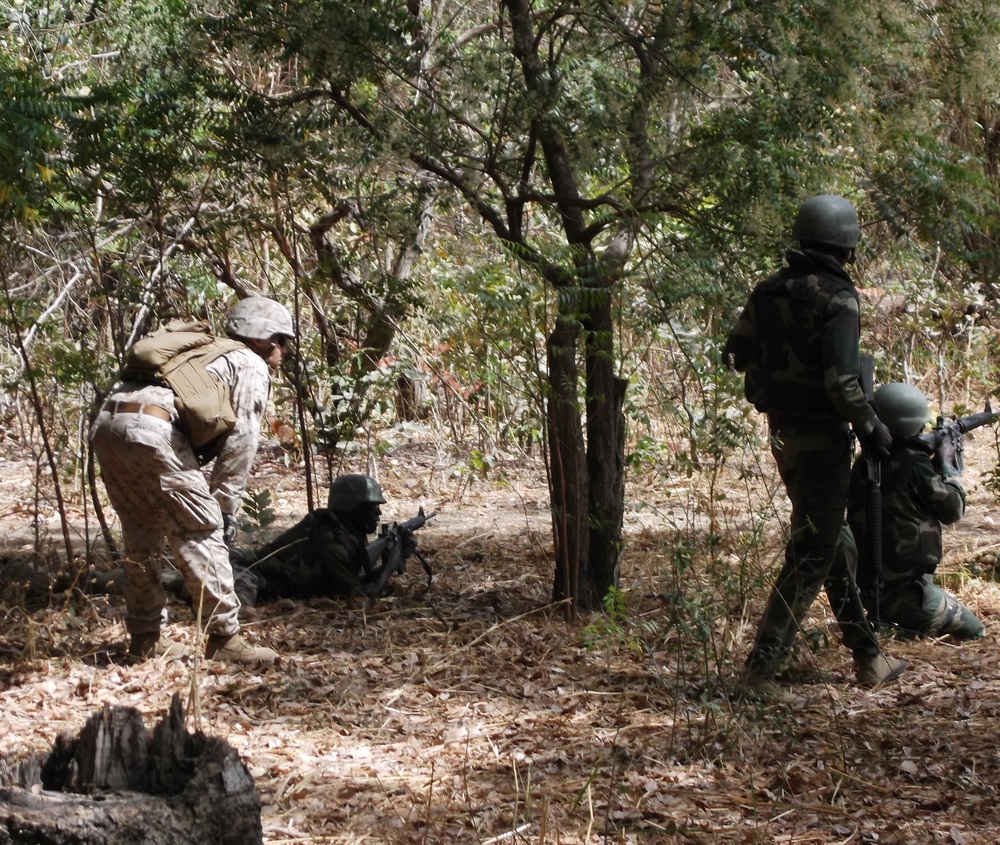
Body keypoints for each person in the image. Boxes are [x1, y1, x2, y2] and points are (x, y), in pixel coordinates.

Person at [723, 193, 906, 701]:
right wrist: (873, 427)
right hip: (824, 441)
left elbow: (734, 352)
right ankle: (761, 671)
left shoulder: (768, 289)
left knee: (833, 543)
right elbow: (843, 384)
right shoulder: (839, 299)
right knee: (813, 551)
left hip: (783, 435)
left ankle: (868, 655)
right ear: (846, 243)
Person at [90, 297, 294, 665]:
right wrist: (225, 507)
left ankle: (145, 639)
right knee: (203, 531)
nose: (285, 353)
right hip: (154, 430)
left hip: (108, 423)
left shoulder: (205, 353)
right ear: (266, 340)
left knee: (140, 535)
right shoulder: (250, 363)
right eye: (284, 342)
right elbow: (242, 439)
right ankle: (224, 639)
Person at [847, 383, 985, 640]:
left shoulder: (865, 462)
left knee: (916, 631)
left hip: (871, 591)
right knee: (975, 630)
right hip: (906, 593)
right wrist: (948, 467)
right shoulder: (913, 461)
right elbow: (953, 510)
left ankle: (902, 626)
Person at [229, 473, 415, 607]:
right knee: (232, 609)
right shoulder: (331, 541)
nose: (379, 513)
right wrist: (389, 564)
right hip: (248, 571)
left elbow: (353, 583)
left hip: (252, 573)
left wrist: (395, 559)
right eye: (372, 507)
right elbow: (359, 598)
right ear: (352, 507)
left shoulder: (344, 534)